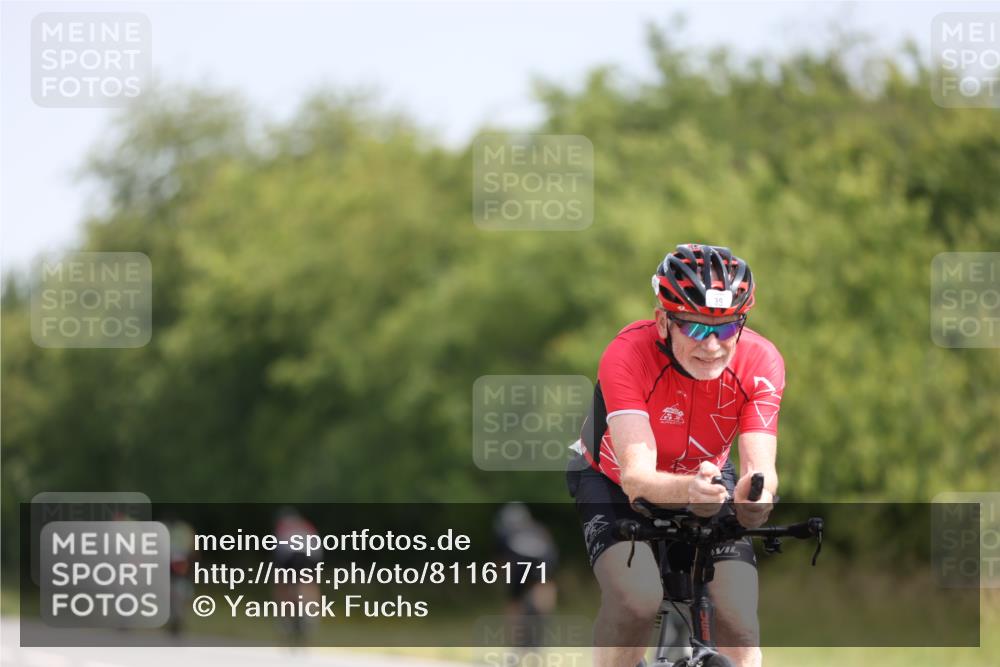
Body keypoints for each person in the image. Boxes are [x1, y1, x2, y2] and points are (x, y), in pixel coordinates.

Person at [566, 244, 784, 667]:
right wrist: (690, 490)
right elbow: (637, 478)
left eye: (726, 329)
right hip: (610, 478)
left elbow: (761, 472)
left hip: (708, 477)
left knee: (738, 619)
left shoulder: (762, 362)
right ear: (663, 320)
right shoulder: (627, 355)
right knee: (636, 601)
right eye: (697, 329)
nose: (714, 346)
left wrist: (755, 501)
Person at [493, 502, 559, 648]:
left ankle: (515, 646)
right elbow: (551, 552)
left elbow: (501, 560)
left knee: (514, 603)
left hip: (518, 567)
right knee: (544, 590)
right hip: (543, 564)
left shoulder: (505, 532)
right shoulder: (539, 529)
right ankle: (538, 636)